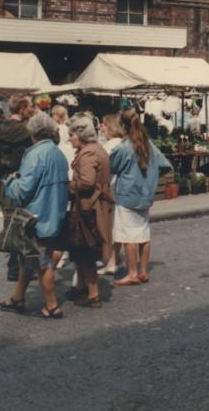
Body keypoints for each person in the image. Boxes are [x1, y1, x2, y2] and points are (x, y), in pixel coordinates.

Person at [0, 113, 70, 319]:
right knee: (28, 258)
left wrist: (10, 181)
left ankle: (52, 305)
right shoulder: (57, 153)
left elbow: (23, 190)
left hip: (37, 217)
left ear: (33, 134)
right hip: (53, 213)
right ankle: (18, 297)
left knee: (42, 262)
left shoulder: (36, 155)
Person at [109, 110, 172, 286]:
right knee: (143, 233)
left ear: (122, 126)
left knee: (129, 236)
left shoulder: (123, 147)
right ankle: (143, 271)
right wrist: (151, 177)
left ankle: (132, 273)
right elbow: (166, 165)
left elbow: (110, 166)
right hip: (145, 195)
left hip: (127, 194)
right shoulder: (149, 145)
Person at [65, 114, 112, 308]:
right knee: (83, 249)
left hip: (88, 208)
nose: (70, 138)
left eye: (72, 135)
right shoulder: (95, 149)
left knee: (87, 250)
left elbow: (86, 182)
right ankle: (82, 287)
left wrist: (69, 185)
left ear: (81, 135)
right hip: (92, 206)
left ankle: (93, 295)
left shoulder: (88, 153)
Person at [0, 96, 34, 282]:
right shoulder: (27, 131)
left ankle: (12, 267)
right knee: (24, 221)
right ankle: (22, 267)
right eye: (30, 107)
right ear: (23, 108)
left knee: (9, 220)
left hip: (4, 179)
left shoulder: (0, 129)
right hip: (21, 178)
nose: (32, 110)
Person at [99, 113, 125, 274]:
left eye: (103, 124)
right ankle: (115, 259)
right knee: (116, 226)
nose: (101, 127)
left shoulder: (111, 145)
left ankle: (112, 261)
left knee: (112, 227)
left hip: (110, 188)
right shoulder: (120, 143)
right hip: (117, 188)